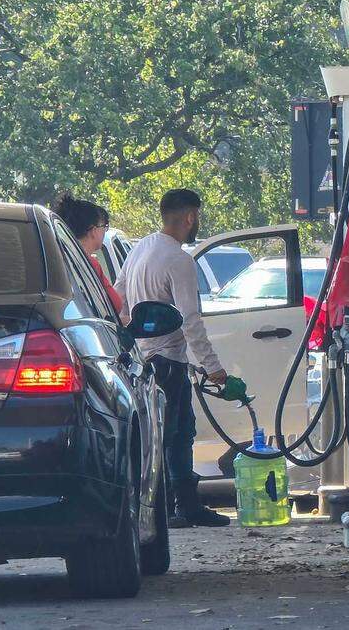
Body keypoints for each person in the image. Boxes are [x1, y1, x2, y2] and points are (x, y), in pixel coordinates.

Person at [115, 189, 230, 528]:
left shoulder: (141, 248)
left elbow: (118, 296)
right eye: (197, 217)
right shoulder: (180, 260)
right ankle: (180, 507)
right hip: (169, 361)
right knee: (177, 436)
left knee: (164, 434)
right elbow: (190, 319)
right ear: (190, 217)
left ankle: (172, 505)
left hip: (145, 361)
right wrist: (213, 367)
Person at [49, 192, 123, 315]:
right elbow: (114, 306)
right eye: (104, 226)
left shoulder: (53, 259)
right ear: (93, 230)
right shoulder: (88, 265)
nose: (105, 231)